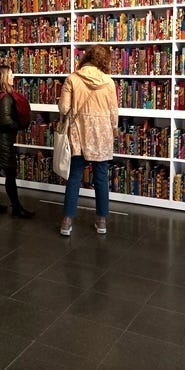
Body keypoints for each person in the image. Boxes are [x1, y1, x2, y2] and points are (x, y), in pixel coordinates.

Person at [58, 45, 118, 236]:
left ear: (87, 58)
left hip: (79, 134)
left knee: (75, 176)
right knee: (101, 178)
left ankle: (67, 222)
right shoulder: (109, 82)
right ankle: (101, 221)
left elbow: (64, 108)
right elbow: (113, 114)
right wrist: (114, 130)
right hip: (102, 135)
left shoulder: (72, 79)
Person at [0, 64, 34, 218]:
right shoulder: (5, 97)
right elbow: (5, 120)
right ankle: (17, 208)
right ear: (4, 77)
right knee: (10, 174)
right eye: (11, 74)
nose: (13, 77)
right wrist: (18, 126)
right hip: (2, 141)